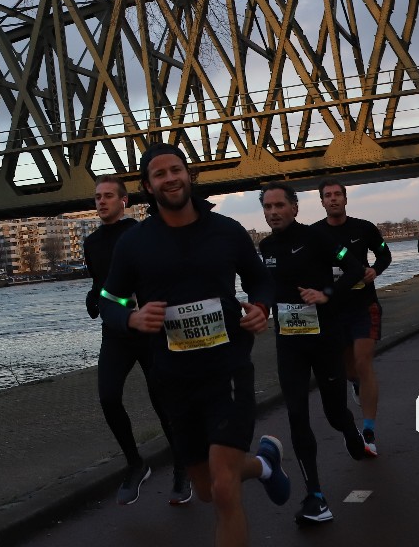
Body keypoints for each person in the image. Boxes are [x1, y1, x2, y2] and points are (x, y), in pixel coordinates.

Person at [101, 142, 286, 547]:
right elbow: (108, 300)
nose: (170, 178)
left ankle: (253, 468)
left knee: (223, 488)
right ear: (148, 187)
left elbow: (260, 280)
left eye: (176, 170)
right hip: (173, 378)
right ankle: (263, 464)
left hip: (227, 368)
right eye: (160, 174)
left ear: (189, 175)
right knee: (205, 489)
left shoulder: (226, 230)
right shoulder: (134, 243)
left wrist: (261, 307)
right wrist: (131, 317)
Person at [257, 182, 374, 525]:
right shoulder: (265, 247)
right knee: (297, 415)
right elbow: (266, 285)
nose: (273, 212)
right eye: (267, 207)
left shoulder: (317, 238)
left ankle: (350, 430)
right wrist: (259, 306)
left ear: (294, 208)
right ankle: (315, 497)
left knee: (334, 413)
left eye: (279, 205)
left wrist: (326, 294)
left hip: (325, 339)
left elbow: (355, 269)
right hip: (289, 343)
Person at [83, 175, 187, 504]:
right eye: (98, 197)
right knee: (108, 397)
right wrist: (93, 297)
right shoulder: (91, 243)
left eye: (108, 196)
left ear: (123, 201)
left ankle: (181, 467)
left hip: (149, 330)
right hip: (116, 332)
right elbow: (102, 283)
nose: (102, 201)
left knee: (162, 401)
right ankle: (135, 464)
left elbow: (159, 275)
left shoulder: (140, 234)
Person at [318, 180, 390, 453]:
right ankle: (355, 383)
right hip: (335, 310)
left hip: (364, 305)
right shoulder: (316, 233)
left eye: (338, 194)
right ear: (322, 202)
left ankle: (368, 430)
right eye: (328, 195)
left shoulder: (364, 228)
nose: (333, 199)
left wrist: (375, 270)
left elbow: (384, 255)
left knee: (363, 361)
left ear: (345, 199)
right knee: (349, 369)